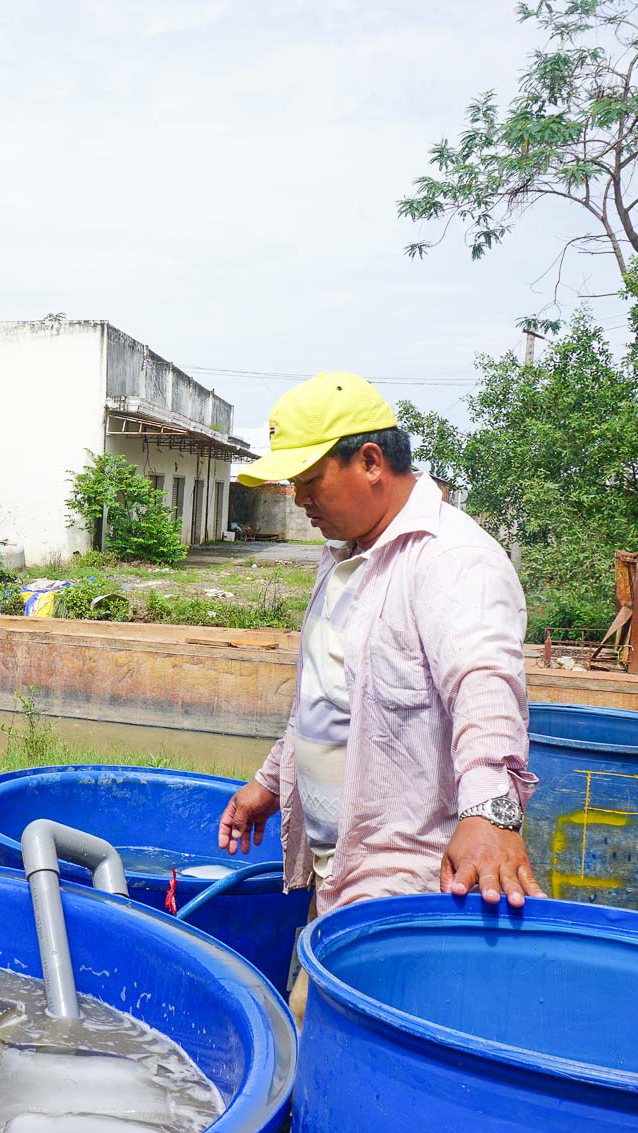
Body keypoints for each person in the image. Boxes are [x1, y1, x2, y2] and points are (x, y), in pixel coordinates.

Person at [218, 373, 540, 1012]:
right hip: (337, 866)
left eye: (310, 480)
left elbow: (483, 684)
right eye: (293, 483)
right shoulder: (345, 557)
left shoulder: (452, 560)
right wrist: (272, 780)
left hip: (406, 880)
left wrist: (489, 815)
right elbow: (326, 699)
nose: (299, 498)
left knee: (342, 1051)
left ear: (370, 462)